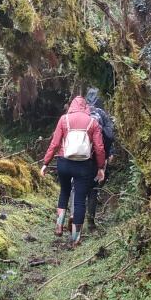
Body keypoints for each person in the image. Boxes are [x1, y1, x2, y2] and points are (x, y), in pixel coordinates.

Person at [40, 95, 106, 246]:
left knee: (64, 191)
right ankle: (75, 238)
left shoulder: (64, 119)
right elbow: (99, 148)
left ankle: (58, 226)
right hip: (83, 165)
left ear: (72, 106)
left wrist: (46, 162)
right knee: (80, 200)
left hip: (64, 163)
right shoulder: (93, 122)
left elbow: (55, 143)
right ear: (85, 107)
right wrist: (101, 167)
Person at [84, 86, 115, 230]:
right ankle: (90, 222)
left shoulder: (79, 113)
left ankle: (73, 218)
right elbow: (109, 136)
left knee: (76, 188)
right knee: (93, 188)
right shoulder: (101, 114)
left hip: (75, 156)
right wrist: (109, 153)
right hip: (96, 156)